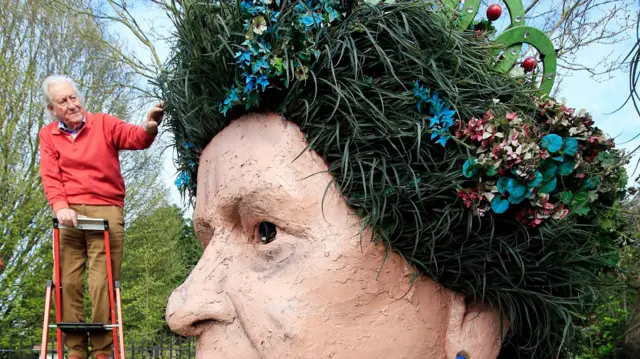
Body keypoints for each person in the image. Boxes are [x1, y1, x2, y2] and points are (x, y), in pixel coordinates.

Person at [38, 75, 164, 359]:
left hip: (105, 209)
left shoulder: (104, 124)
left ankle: (102, 350)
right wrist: (60, 206)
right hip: (68, 216)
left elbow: (135, 138)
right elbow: (50, 175)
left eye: (73, 97)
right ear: (52, 109)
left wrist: (148, 128)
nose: (72, 105)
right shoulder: (49, 136)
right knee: (67, 282)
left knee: (101, 283)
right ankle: (76, 350)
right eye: (63, 101)